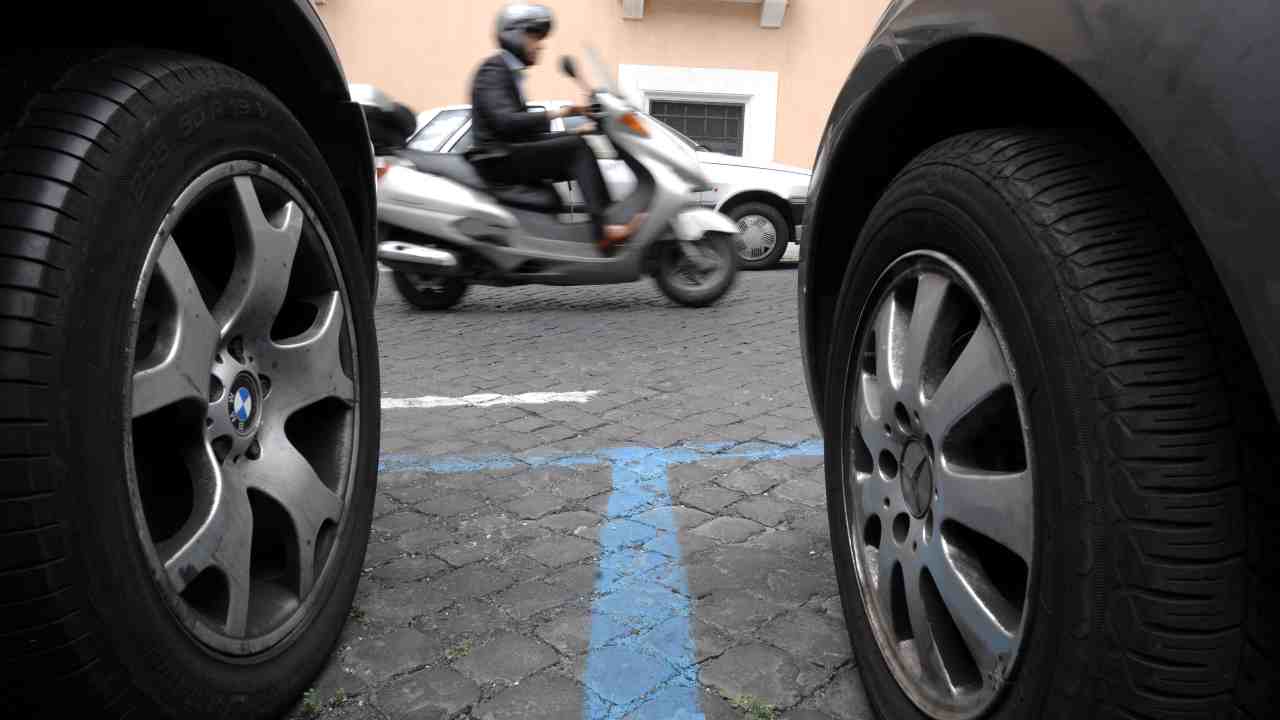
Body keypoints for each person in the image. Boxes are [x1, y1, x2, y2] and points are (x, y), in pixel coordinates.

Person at [465, 3, 644, 255]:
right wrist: (562, 113)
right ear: (514, 34)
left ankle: (591, 231)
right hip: (496, 159)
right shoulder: (494, 69)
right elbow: (505, 121)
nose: (540, 45)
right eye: (534, 37)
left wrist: (573, 131)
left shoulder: (509, 73)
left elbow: (521, 133)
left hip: (507, 153)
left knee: (574, 144)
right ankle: (604, 229)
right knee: (576, 149)